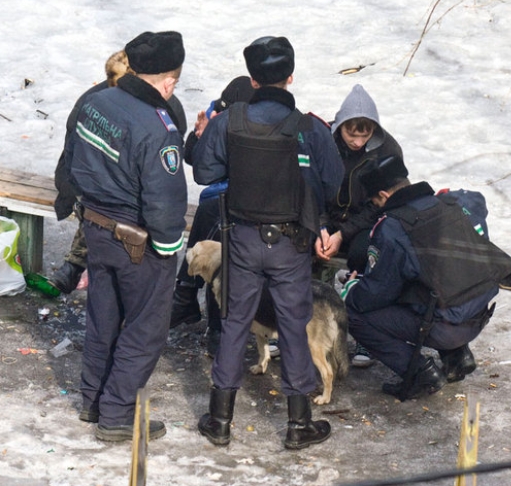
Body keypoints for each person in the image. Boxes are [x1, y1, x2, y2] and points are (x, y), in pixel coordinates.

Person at [192, 36, 344, 450]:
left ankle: (220, 420)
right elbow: (333, 185)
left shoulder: (230, 122)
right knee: (293, 326)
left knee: (234, 323)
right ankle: (299, 425)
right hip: (292, 245)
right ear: (290, 77)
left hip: (240, 239)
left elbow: (204, 172)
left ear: (253, 80)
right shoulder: (310, 129)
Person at [65, 31, 188, 441]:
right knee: (145, 328)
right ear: (168, 81)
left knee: (103, 317)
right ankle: (116, 414)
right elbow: (165, 199)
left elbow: (74, 163)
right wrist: (168, 248)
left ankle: (93, 400)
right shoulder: (159, 128)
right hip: (136, 241)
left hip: (95, 229)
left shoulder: (95, 103)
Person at [340, 155, 511, 401]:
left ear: (383, 195)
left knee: (355, 314)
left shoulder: (394, 227)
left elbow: (376, 293)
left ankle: (420, 374)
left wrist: (352, 287)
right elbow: (478, 203)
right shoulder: (452, 203)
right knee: (435, 280)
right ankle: (457, 358)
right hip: (480, 313)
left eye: (374, 200)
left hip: (448, 327)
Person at [49, 50, 187, 293]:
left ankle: (76, 265)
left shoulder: (162, 106)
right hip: (89, 185)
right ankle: (81, 264)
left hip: (109, 189)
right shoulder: (97, 99)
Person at [313, 83, 404, 368]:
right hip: (324, 217)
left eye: (364, 134)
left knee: (367, 254)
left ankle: (365, 331)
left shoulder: (386, 150)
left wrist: (343, 233)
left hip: (364, 222)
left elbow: (379, 202)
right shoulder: (321, 141)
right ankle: (300, 323)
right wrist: (322, 227)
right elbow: (309, 187)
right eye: (351, 134)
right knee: (300, 247)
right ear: (339, 127)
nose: (357, 142)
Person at [169, 76, 255, 358]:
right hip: (219, 199)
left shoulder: (260, 121)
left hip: (250, 200)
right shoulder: (214, 112)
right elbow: (192, 160)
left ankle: (187, 297)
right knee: (215, 219)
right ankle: (209, 319)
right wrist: (200, 136)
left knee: (217, 222)